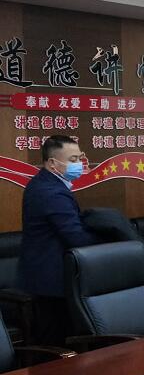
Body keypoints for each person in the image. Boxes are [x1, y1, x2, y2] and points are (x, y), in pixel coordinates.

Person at [18, 135, 100, 345]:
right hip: (51, 282)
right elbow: (76, 237)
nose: (79, 164)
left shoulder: (47, 184)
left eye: (80, 158)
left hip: (51, 276)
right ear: (53, 163)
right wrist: (107, 238)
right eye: (73, 160)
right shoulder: (50, 192)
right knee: (56, 344)